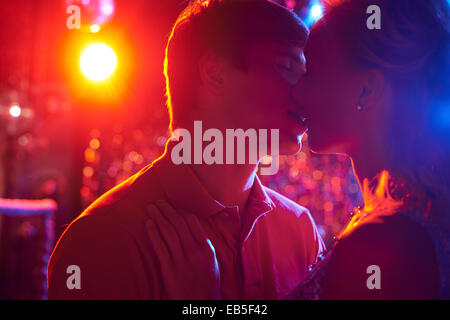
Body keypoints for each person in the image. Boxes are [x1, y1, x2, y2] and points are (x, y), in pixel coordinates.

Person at [47, 0, 324, 299]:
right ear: (215, 72)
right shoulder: (101, 241)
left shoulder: (299, 231)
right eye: (285, 67)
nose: (306, 92)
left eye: (306, 74)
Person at [286, 0, 450, 299]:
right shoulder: (410, 216)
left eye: (311, 71)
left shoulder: (382, 242)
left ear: (366, 90)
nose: (297, 90)